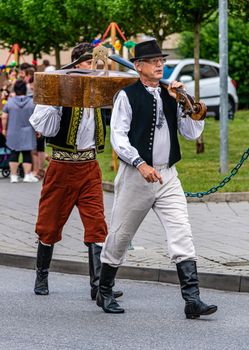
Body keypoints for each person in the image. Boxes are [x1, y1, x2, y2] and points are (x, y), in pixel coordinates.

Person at [96, 39, 218, 319]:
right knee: (120, 235)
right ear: (139, 67)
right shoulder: (127, 96)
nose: (160, 64)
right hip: (136, 176)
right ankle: (104, 290)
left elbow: (190, 133)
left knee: (182, 232)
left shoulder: (170, 95)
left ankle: (192, 299)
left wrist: (188, 104)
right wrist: (139, 164)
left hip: (167, 175)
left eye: (162, 60)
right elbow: (118, 136)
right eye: (154, 61)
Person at [29, 42, 122, 300]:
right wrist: (56, 97)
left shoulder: (99, 92)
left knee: (97, 227)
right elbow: (43, 126)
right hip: (62, 166)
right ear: (76, 65)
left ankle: (98, 286)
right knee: (49, 225)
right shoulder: (61, 88)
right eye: (88, 62)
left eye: (96, 62)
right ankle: (42, 274)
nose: (94, 66)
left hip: (90, 167)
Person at [1, 79, 38, 183]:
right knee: (27, 153)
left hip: (13, 130)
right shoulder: (32, 102)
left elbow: (4, 117)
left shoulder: (10, 102)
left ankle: (13, 176)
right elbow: (36, 117)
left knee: (14, 152)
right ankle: (27, 176)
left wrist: (4, 129)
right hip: (28, 130)